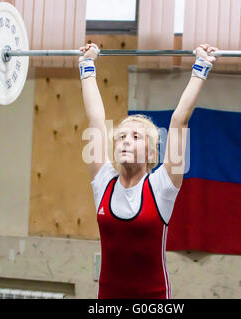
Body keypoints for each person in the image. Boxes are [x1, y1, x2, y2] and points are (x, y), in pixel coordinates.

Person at [79, 43, 217, 299]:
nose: (125, 141)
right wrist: (87, 65)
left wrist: (201, 67)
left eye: (135, 136)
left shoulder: (162, 187)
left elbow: (179, 120)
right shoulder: (103, 182)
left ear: (152, 153)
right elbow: (96, 119)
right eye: (120, 137)